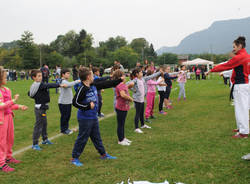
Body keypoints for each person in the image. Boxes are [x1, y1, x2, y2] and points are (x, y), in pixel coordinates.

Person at [71, 67, 122, 166]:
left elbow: (106, 84)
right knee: (82, 138)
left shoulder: (93, 85)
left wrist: (118, 80)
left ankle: (103, 154)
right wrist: (87, 106)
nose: (94, 76)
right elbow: (75, 102)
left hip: (93, 117)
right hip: (85, 118)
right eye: (92, 75)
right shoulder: (83, 88)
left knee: (96, 137)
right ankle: (74, 158)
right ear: (88, 77)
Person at [206, 36, 250, 138]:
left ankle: (244, 132)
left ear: (240, 46)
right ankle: (241, 128)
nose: (233, 49)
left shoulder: (240, 57)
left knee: (241, 109)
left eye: (234, 47)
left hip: (241, 86)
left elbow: (226, 65)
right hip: (243, 85)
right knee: (240, 108)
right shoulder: (247, 56)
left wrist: (211, 70)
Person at [28, 69, 67, 151]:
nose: (41, 77)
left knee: (44, 124)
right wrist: (59, 85)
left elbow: (29, 93)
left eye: (41, 75)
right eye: (38, 76)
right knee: (38, 126)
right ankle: (35, 144)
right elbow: (49, 85)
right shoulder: (39, 85)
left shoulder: (37, 85)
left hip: (43, 108)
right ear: (34, 77)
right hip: (40, 109)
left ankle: (45, 140)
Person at [0, 66, 28, 173]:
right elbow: (1, 105)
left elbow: (9, 106)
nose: (7, 79)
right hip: (1, 121)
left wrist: (19, 106)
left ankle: (8, 157)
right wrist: (13, 100)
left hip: (9, 118)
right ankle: (1, 164)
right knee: (1, 141)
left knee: (9, 138)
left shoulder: (7, 89)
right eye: (5, 77)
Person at [128, 68, 162, 133]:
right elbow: (128, 84)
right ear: (137, 74)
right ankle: (136, 128)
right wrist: (133, 90)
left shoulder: (143, 79)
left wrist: (159, 72)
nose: (142, 73)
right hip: (137, 100)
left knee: (141, 113)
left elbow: (151, 76)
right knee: (137, 114)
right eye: (140, 72)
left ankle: (143, 125)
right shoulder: (135, 80)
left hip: (142, 99)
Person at [113, 69, 133, 146]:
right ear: (120, 77)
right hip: (121, 107)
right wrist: (130, 99)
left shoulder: (122, 84)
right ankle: (120, 140)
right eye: (123, 75)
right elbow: (123, 95)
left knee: (122, 123)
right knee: (120, 124)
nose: (125, 76)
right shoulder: (120, 84)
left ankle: (123, 138)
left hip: (124, 107)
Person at [58, 69, 81, 135]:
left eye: (69, 73)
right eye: (67, 73)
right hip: (63, 103)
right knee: (64, 116)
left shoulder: (65, 81)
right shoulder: (63, 81)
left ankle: (66, 128)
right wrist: (78, 81)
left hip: (67, 102)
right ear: (63, 74)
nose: (69, 75)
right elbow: (69, 84)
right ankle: (63, 129)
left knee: (67, 116)